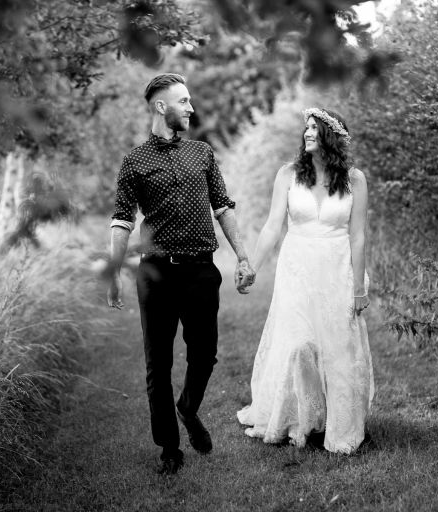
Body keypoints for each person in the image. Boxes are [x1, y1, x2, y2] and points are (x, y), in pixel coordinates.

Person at [107, 73, 256, 475]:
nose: (191, 108)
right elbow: (122, 219)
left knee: (205, 354)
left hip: (201, 272)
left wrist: (242, 257)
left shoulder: (202, 153)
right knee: (158, 364)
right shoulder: (134, 161)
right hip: (156, 274)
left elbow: (223, 206)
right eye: (184, 101)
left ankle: (188, 408)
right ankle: (169, 448)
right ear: (161, 107)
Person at [236, 108, 374, 454]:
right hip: (296, 269)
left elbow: (357, 236)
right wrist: (251, 265)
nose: (307, 133)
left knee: (338, 351)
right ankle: (297, 418)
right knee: (299, 345)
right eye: (306, 128)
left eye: (314, 128)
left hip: (337, 270)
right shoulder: (288, 174)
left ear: (330, 135)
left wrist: (358, 288)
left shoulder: (355, 179)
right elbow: (272, 226)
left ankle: (340, 428)